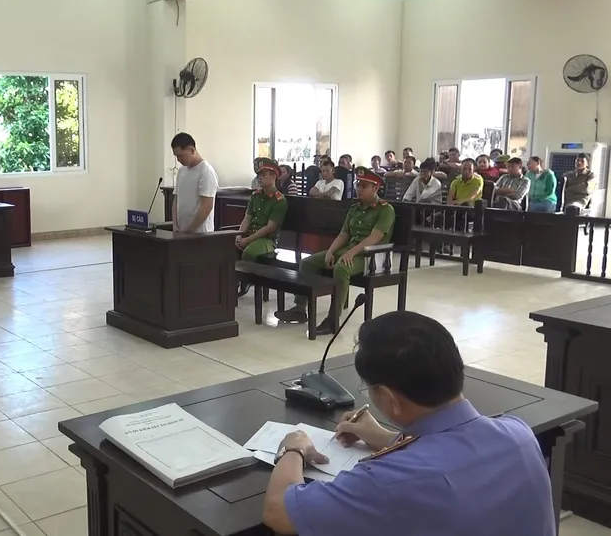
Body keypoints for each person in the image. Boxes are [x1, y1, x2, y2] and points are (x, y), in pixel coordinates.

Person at [262, 311, 556, 536]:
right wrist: (385, 437)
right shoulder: (519, 434)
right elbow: (450, 455)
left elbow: (278, 513)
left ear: (389, 398)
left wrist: (294, 448)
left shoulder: (387, 481)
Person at [275, 168, 394, 335]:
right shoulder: (355, 208)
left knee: (342, 268)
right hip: (350, 250)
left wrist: (351, 253)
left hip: (372, 257)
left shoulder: (385, 209)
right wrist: (330, 251)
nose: (359, 189)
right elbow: (344, 234)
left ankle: (332, 320)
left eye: (364, 186)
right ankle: (300, 309)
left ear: (375, 188)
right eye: (358, 185)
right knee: (307, 263)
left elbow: (375, 237)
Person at [236, 159, 288, 261]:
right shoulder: (255, 196)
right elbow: (247, 218)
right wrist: (239, 234)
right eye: (259, 175)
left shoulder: (279, 200)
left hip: (267, 239)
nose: (260, 178)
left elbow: (270, 228)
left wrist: (247, 240)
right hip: (249, 234)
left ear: (273, 176)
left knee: (249, 253)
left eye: (263, 175)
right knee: (225, 249)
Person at [171, 133, 219, 233]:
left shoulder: (206, 171)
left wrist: (188, 230)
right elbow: (176, 200)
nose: (178, 160)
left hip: (201, 233)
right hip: (182, 232)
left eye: (180, 156)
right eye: (176, 156)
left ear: (192, 150)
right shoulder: (181, 171)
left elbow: (207, 207)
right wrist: (175, 224)